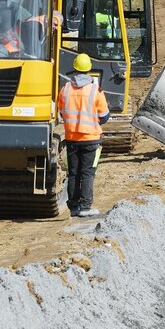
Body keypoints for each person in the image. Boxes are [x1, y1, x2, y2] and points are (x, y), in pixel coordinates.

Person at [58, 53, 110, 217]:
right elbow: (104, 116)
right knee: (87, 173)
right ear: (89, 69)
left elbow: (61, 111)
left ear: (74, 68)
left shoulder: (65, 89)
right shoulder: (95, 90)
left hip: (72, 138)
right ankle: (86, 207)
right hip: (91, 139)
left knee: (73, 173)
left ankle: (73, 207)